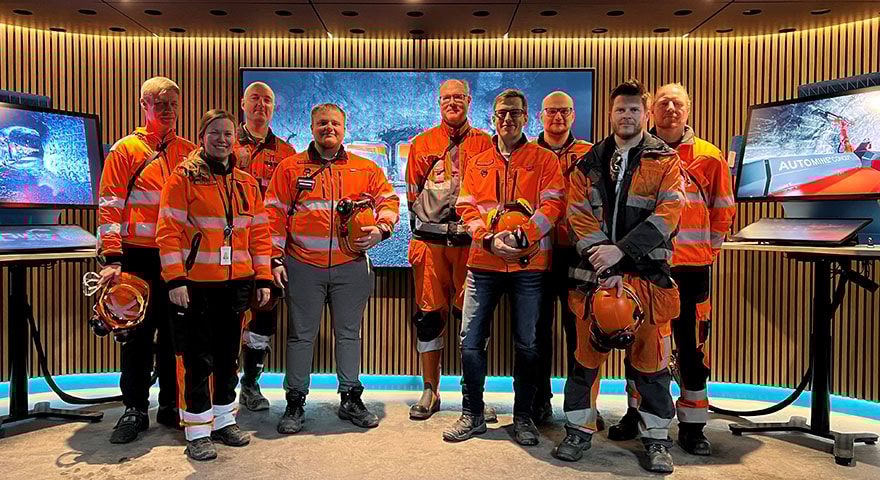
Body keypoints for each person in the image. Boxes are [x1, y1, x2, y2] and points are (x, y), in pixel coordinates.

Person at [554, 79, 685, 473]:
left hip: (648, 281)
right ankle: (578, 432)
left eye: (633, 109)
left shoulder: (666, 161)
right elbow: (577, 215)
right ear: (610, 114)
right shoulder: (587, 163)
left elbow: (669, 214)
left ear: (645, 114)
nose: (626, 115)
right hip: (592, 279)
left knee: (652, 367)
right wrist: (607, 264)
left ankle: (657, 439)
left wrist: (622, 253)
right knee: (584, 364)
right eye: (620, 109)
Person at [605, 82, 735, 455]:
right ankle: (636, 413)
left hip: (692, 269)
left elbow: (723, 210)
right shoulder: (635, 153)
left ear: (688, 110)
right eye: (663, 103)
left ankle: (693, 426)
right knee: (640, 343)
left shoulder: (709, 156)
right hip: (647, 268)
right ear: (652, 112)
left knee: (692, 348)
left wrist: (706, 251)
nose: (671, 110)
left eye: (677, 104)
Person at [265, 103, 400, 434]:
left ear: (344, 128)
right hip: (302, 265)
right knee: (301, 336)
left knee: (349, 334)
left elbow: (389, 201)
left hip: (350, 267)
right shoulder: (289, 168)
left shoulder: (365, 168)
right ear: (312, 127)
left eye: (335, 123)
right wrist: (275, 258)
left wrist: (382, 229)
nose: (329, 128)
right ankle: (295, 401)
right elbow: (273, 214)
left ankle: (350, 398)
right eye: (322, 123)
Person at [443, 89, 565, 446]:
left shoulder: (544, 160)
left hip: (530, 267)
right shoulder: (478, 161)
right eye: (501, 114)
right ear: (493, 118)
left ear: (526, 117)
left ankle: (524, 417)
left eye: (514, 113)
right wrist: (487, 239)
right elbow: (466, 207)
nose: (508, 119)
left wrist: (524, 236)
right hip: (483, 264)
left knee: (528, 344)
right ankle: (472, 414)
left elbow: (554, 205)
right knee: (470, 341)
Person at [156, 109, 273, 461]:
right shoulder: (183, 178)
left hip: (236, 284)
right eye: (215, 133)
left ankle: (223, 421)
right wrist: (175, 279)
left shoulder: (246, 183)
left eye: (227, 133)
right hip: (194, 285)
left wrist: (263, 277)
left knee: (227, 358)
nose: (222, 139)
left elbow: (260, 235)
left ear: (234, 139)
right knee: (196, 360)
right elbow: (168, 232)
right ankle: (196, 431)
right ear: (202, 137)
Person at [96, 76, 195, 444]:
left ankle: (170, 405)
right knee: (136, 334)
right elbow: (109, 205)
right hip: (135, 256)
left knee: (174, 336)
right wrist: (112, 257)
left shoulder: (190, 152)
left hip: (177, 258)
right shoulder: (125, 150)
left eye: (172, 103)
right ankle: (135, 408)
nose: (167, 110)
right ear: (144, 105)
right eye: (159, 103)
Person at [405, 79, 496, 421]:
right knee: (429, 317)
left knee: (471, 322)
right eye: (446, 98)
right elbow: (412, 193)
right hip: (430, 246)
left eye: (458, 97)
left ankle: (473, 395)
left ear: (469, 101)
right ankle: (430, 390)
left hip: (471, 247)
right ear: (438, 102)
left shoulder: (486, 143)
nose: (452, 103)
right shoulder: (422, 143)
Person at [530, 91, 604, 430]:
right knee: (537, 333)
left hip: (580, 255)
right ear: (541, 116)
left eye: (564, 111)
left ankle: (584, 406)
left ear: (573, 115)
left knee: (581, 333)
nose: (557, 117)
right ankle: (538, 401)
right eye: (551, 111)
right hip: (538, 253)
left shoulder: (591, 153)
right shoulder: (528, 154)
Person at [234, 81, 297, 412]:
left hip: (267, 252)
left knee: (263, 318)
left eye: (267, 100)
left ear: (274, 107)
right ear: (243, 104)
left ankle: (250, 385)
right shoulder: (225, 143)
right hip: (224, 250)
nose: (261, 105)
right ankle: (220, 387)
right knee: (224, 319)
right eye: (255, 99)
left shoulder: (287, 153)